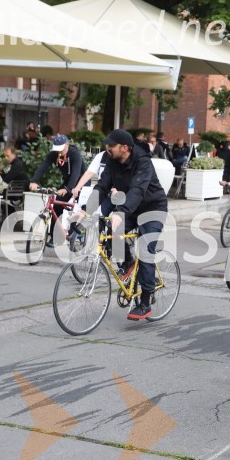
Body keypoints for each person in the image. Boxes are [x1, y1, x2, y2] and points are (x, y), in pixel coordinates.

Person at [92, 129, 168, 321]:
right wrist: (85, 209)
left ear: (124, 148)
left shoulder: (143, 162)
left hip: (152, 208)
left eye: (111, 145)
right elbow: (102, 186)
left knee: (145, 249)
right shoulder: (112, 160)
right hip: (131, 208)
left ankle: (145, 301)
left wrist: (121, 212)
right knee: (111, 232)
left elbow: (137, 190)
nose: (107, 148)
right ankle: (128, 263)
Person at [28, 134, 84, 248]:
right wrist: (34, 181)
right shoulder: (55, 154)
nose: (59, 152)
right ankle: (55, 237)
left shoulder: (74, 154)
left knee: (77, 208)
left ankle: (76, 232)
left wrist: (68, 189)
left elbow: (76, 173)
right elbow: (43, 166)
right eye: (57, 150)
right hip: (68, 182)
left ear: (67, 145)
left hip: (81, 182)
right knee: (56, 207)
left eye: (61, 149)